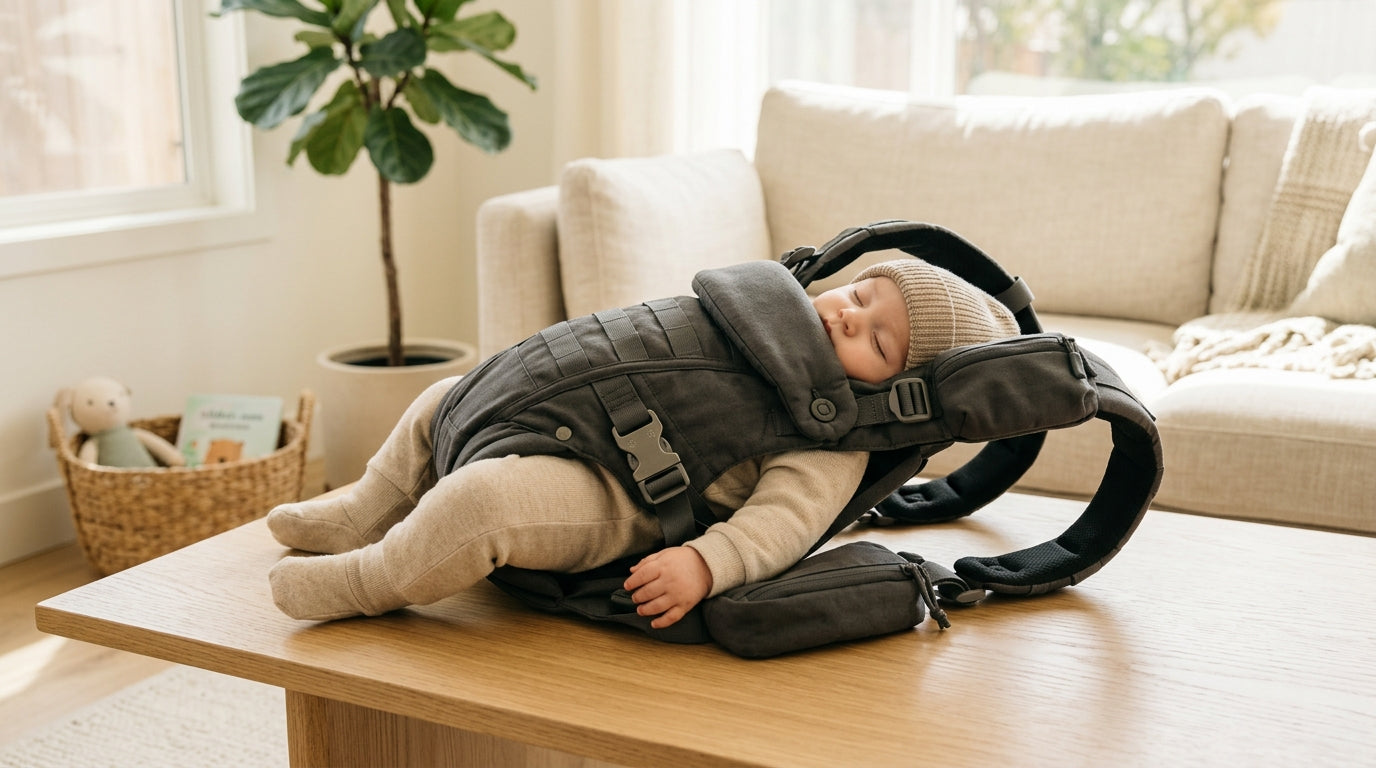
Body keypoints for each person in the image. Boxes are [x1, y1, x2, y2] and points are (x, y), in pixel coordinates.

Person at [266, 258, 1019, 627]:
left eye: (879, 342)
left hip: (616, 492)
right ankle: (366, 505)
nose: (849, 318)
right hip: (569, 408)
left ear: (895, 395)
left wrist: (705, 561)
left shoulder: (832, 439)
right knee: (442, 397)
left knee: (482, 505)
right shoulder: (759, 309)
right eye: (859, 295)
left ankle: (372, 581)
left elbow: (783, 525)